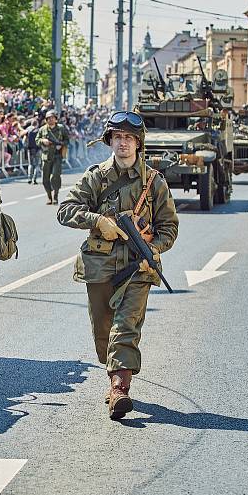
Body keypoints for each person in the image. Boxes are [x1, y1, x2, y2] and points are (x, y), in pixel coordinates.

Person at [57, 110, 179, 420]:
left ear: (139, 144)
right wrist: (98, 221)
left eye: (129, 138)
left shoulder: (154, 182)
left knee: (126, 329)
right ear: (110, 141)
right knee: (103, 331)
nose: (123, 143)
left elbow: (169, 227)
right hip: (99, 266)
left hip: (138, 267)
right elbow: (66, 210)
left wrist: (151, 246)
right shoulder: (96, 176)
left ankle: (119, 390)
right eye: (117, 138)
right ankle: (113, 370)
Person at [36, 109, 69, 204]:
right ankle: (49, 196)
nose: (50, 120)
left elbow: (67, 140)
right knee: (45, 179)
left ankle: (56, 196)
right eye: (48, 118)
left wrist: (62, 144)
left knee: (55, 176)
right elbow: (37, 140)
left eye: (52, 118)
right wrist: (43, 141)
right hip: (46, 156)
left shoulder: (61, 128)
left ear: (56, 119)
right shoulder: (43, 129)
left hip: (57, 156)